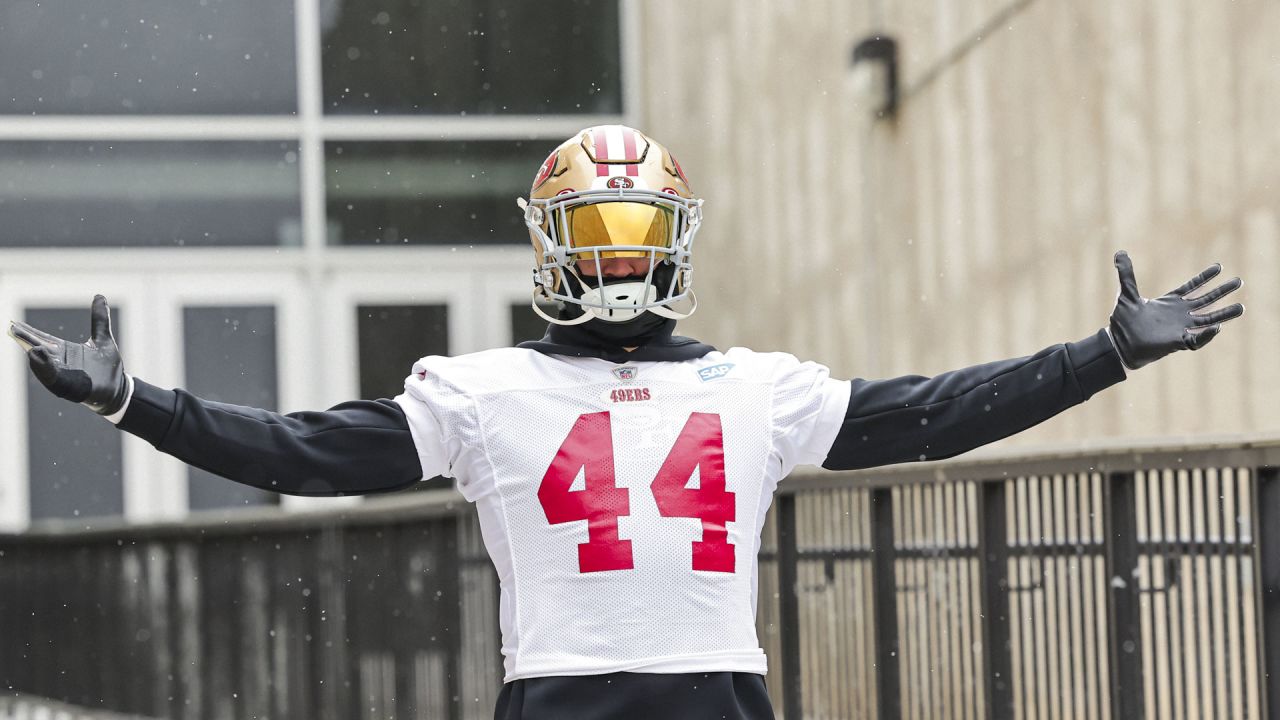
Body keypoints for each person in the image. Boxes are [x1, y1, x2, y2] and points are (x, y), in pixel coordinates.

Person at [8, 125, 1245, 720]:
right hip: (576, 695)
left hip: (700, 694)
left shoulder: (749, 386)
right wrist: (134, 399)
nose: (616, 258)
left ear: (675, 243)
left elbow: (928, 417)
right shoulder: (487, 391)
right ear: (549, 246)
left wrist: (1097, 357)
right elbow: (303, 454)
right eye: (594, 234)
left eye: (635, 232)